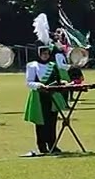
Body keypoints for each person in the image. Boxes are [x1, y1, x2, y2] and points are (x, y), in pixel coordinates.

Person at [24, 13, 68, 155]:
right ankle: (42, 146)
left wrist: (63, 83)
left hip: (52, 96)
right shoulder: (32, 65)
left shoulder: (52, 65)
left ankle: (53, 145)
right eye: (43, 54)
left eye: (47, 53)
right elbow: (29, 82)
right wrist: (39, 85)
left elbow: (58, 79)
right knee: (41, 122)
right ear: (39, 54)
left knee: (52, 121)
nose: (45, 56)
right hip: (39, 97)